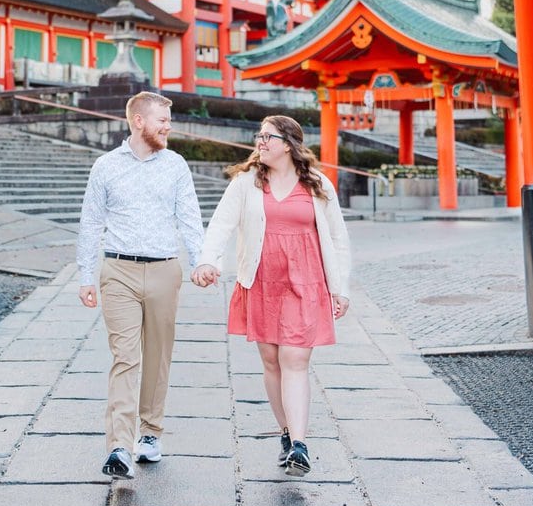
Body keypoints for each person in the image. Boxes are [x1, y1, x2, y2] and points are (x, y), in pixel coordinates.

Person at [192, 114, 350, 477]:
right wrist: (208, 261)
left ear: (289, 144)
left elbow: (339, 239)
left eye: (268, 136)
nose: (260, 142)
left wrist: (340, 288)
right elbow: (221, 224)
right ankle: (285, 431)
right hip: (261, 280)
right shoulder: (246, 182)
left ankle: (299, 444)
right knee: (272, 361)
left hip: (306, 282)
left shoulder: (317, 185)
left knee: (295, 359)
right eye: (259, 135)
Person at [77, 91, 205, 480]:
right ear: (138, 122)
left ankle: (149, 433)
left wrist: (200, 262)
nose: (168, 127)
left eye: (169, 121)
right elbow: (90, 222)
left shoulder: (176, 166)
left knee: (158, 355)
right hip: (119, 271)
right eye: (162, 120)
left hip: (166, 270)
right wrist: (86, 276)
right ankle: (118, 445)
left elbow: (190, 218)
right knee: (125, 357)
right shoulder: (105, 166)